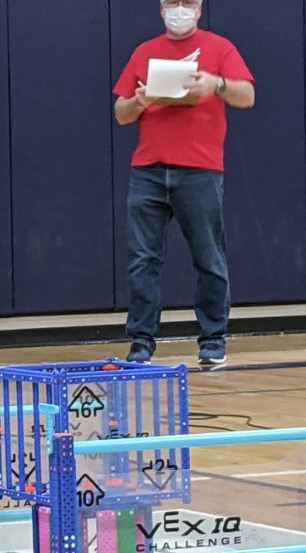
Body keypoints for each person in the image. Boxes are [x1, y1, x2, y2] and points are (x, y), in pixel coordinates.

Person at [114, 0, 255, 366]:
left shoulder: (219, 47)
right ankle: (141, 341)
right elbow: (121, 113)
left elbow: (247, 96)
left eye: (187, 2)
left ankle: (213, 338)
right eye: (172, 2)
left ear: (200, 8)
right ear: (161, 8)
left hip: (200, 169)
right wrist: (139, 101)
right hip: (148, 168)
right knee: (142, 259)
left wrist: (216, 83)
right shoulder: (145, 51)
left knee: (208, 256)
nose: (180, 9)